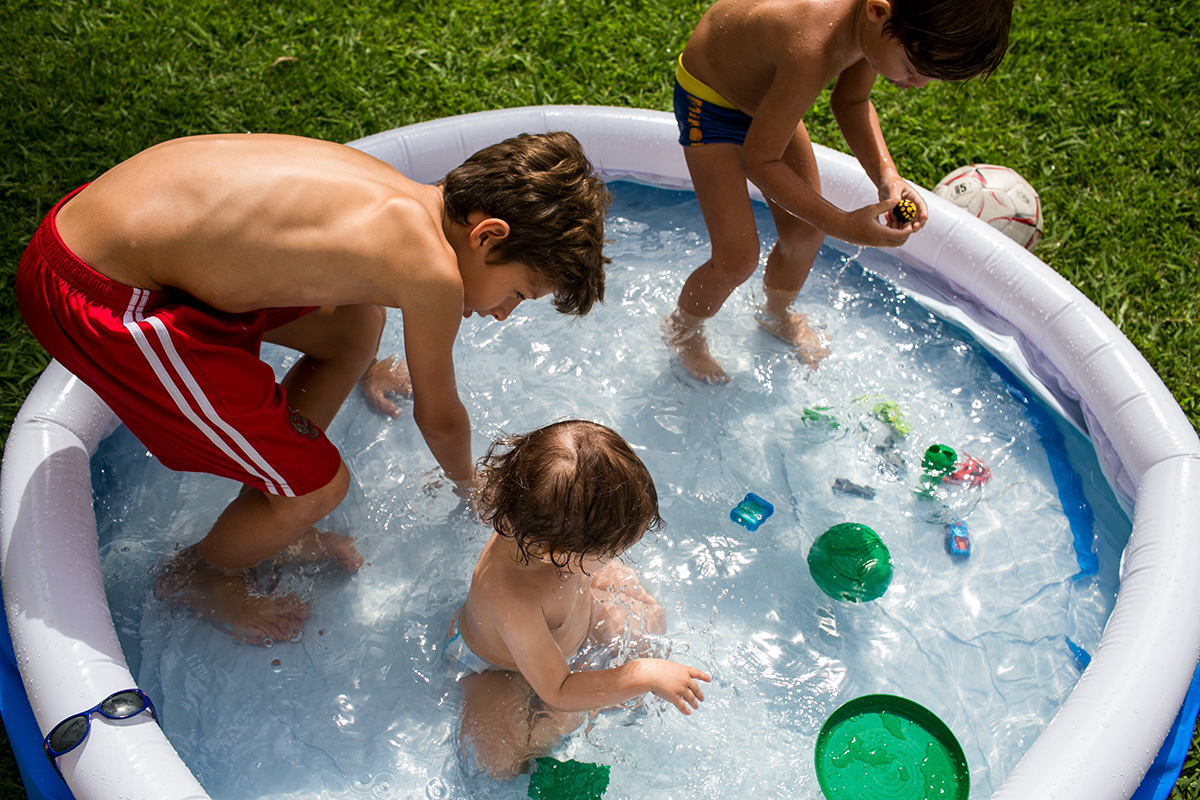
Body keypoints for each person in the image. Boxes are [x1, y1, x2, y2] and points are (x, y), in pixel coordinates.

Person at [16, 131, 610, 644]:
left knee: (356, 327)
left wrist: (367, 364)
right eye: (518, 293)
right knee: (321, 489)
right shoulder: (433, 273)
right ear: (487, 236)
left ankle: (273, 495)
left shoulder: (406, 198)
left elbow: (309, 257)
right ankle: (202, 572)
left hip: (98, 235)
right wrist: (471, 488)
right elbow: (441, 416)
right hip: (104, 297)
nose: (504, 313)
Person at [663, 0, 1013, 382]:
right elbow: (759, 162)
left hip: (764, 99)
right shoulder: (812, 49)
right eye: (913, 70)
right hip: (710, 104)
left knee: (806, 233)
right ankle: (683, 330)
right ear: (879, 12)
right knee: (736, 258)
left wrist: (888, 177)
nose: (918, 84)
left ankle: (776, 315)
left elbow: (851, 101)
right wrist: (844, 225)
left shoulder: (872, 24)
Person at [448, 420, 711, 779]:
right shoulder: (512, 599)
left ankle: (595, 685)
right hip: (499, 669)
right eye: (611, 552)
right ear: (556, 554)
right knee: (499, 763)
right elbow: (557, 689)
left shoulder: (534, 522)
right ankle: (586, 704)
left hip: (566, 626)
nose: (618, 556)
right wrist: (643, 675)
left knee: (650, 624)